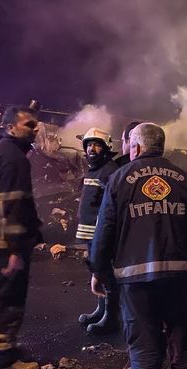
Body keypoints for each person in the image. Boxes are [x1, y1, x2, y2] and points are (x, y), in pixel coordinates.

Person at [89, 122, 187, 369]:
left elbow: (104, 231)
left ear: (135, 146)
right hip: (179, 277)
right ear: (161, 146)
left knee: (144, 348)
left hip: (135, 279)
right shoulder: (184, 178)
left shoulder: (118, 179)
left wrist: (99, 271)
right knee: (184, 344)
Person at [0, 105, 43, 369]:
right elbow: (12, 205)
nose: (35, 129)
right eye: (28, 124)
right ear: (10, 126)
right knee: (8, 302)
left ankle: (2, 349)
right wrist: (15, 249)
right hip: (6, 246)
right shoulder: (14, 158)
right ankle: (1, 362)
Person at [75, 127, 120, 334]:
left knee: (106, 273)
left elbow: (110, 206)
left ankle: (111, 318)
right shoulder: (94, 169)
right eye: (89, 145)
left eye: (97, 144)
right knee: (97, 271)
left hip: (101, 233)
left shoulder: (109, 170)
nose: (92, 149)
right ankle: (100, 310)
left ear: (106, 147)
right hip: (90, 232)